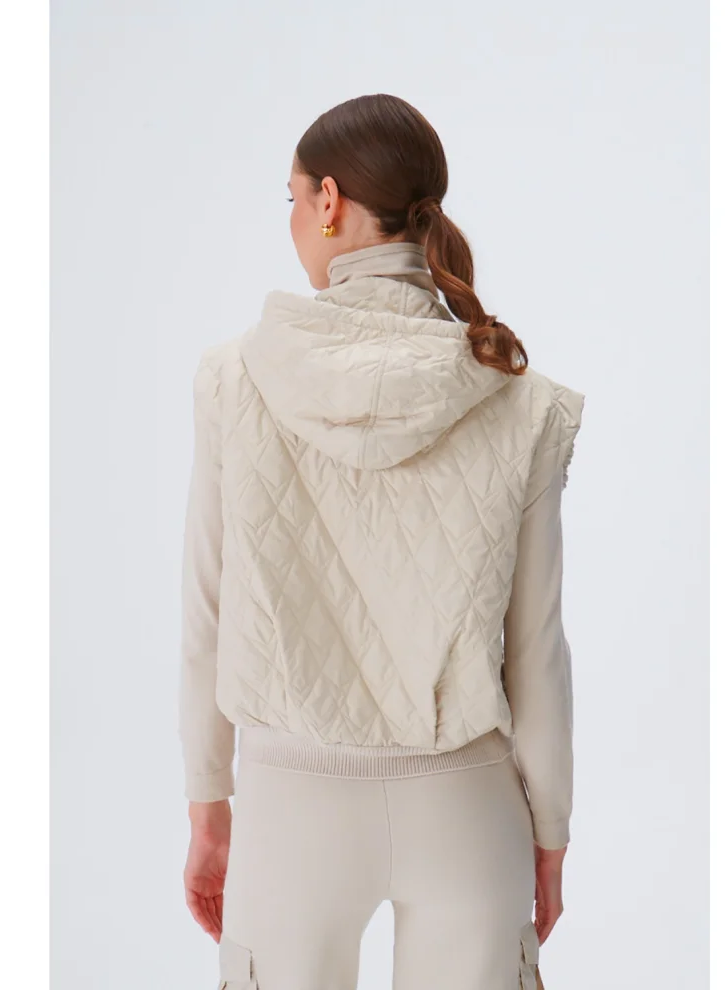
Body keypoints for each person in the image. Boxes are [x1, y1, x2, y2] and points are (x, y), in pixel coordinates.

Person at [178, 93, 584, 990]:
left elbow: (207, 614)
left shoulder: (233, 379)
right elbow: (538, 649)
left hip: (291, 808)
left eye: (292, 198)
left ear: (328, 200)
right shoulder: (518, 397)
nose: (294, 219)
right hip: (467, 808)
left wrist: (209, 806)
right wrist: (551, 831)